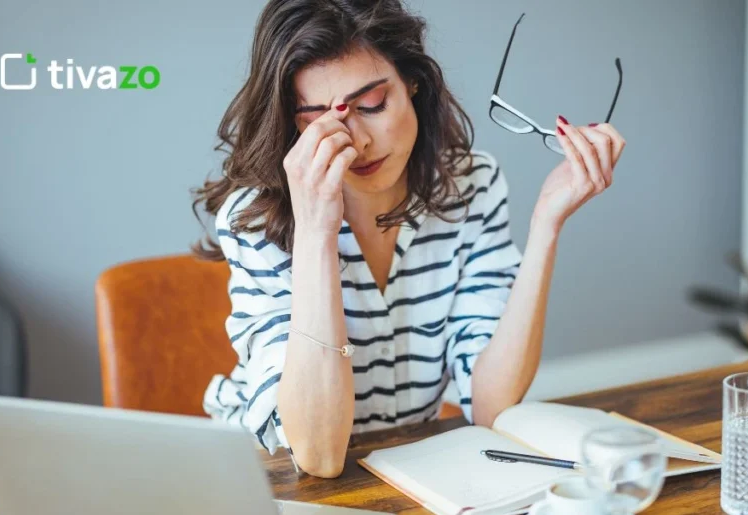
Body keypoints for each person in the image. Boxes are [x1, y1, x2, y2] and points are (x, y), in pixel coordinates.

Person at [191, 0, 625, 479]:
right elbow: (317, 455)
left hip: (403, 470)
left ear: (413, 82)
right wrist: (316, 234)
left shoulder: (470, 187)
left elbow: (491, 406)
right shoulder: (256, 221)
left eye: (372, 105)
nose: (357, 141)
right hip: (264, 476)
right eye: (317, 120)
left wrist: (546, 225)